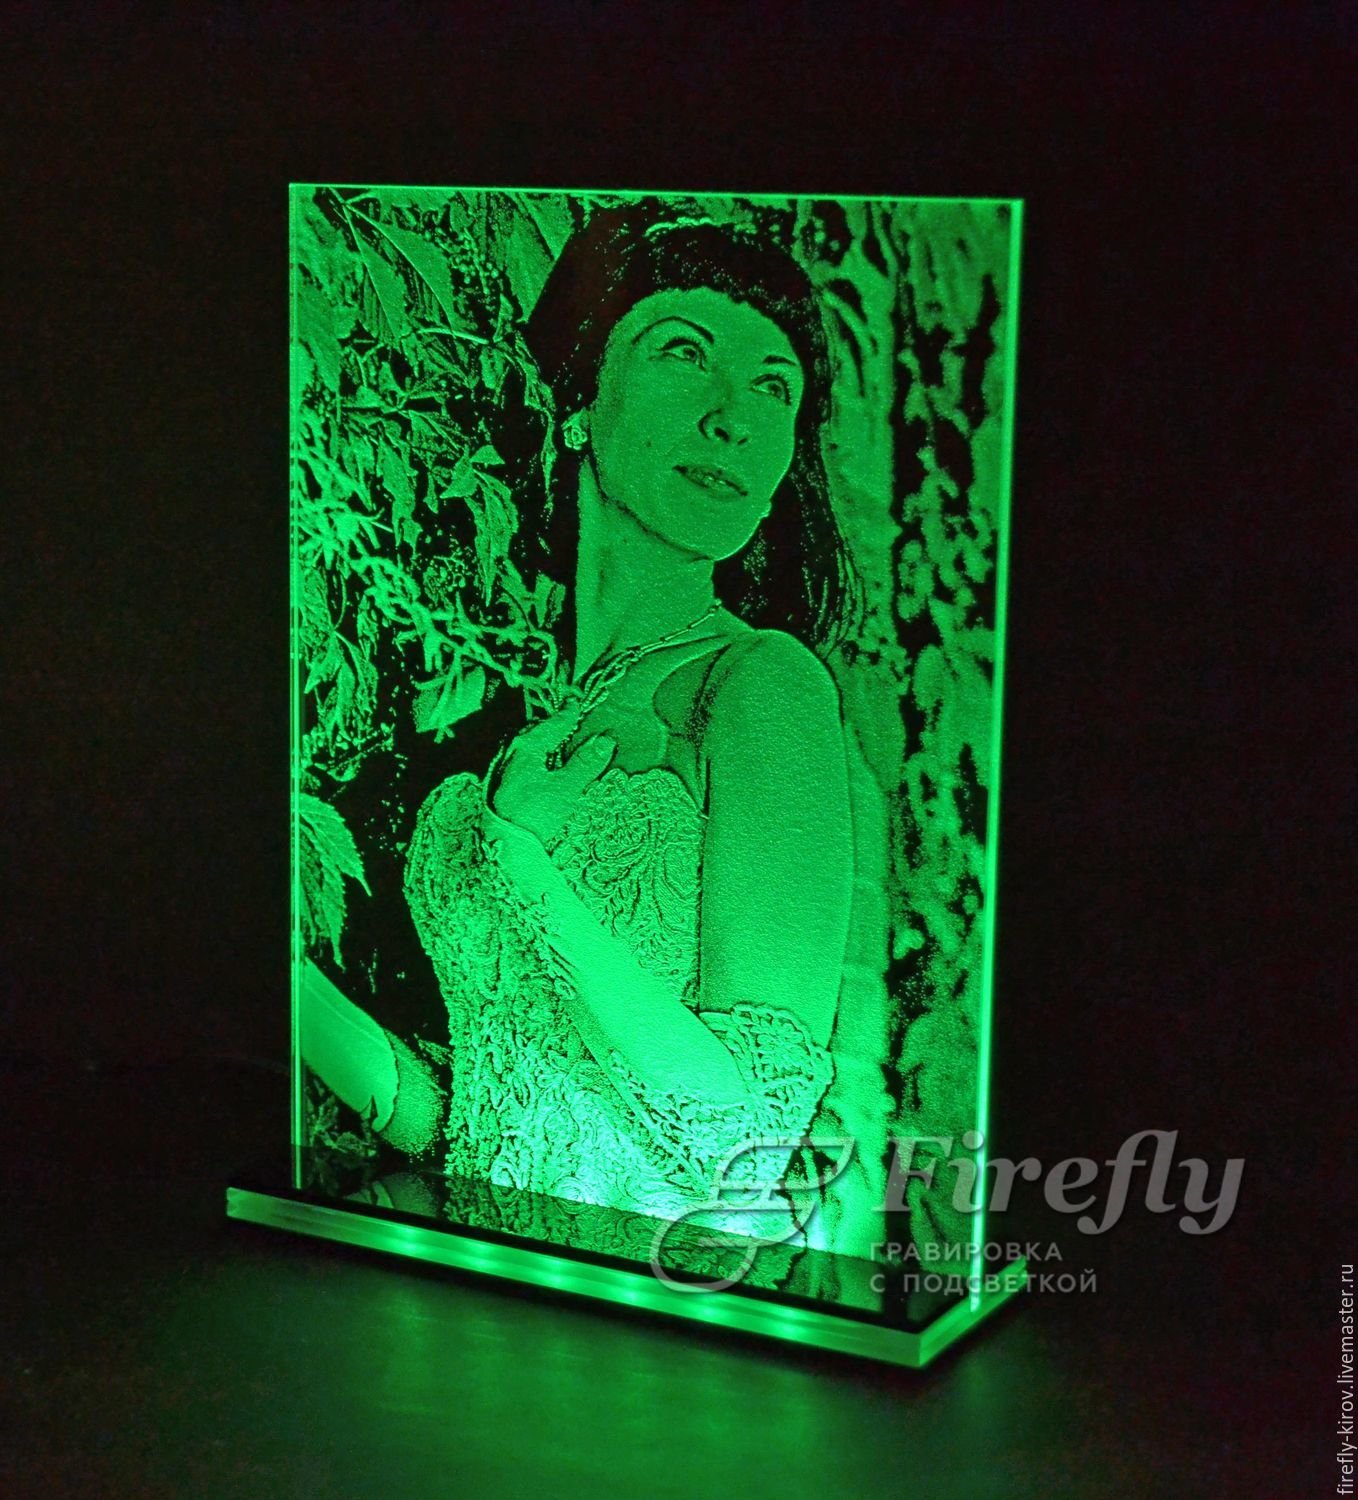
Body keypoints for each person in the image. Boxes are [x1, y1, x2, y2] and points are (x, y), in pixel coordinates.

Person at [304, 209, 882, 1289]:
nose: (733, 419)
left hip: (660, 1309)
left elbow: (739, 1143)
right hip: (488, 1279)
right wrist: (293, 988)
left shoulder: (762, 686)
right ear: (578, 405)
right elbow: (481, 1115)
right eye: (683, 353)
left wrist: (520, 864)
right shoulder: (526, 710)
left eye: (773, 388)